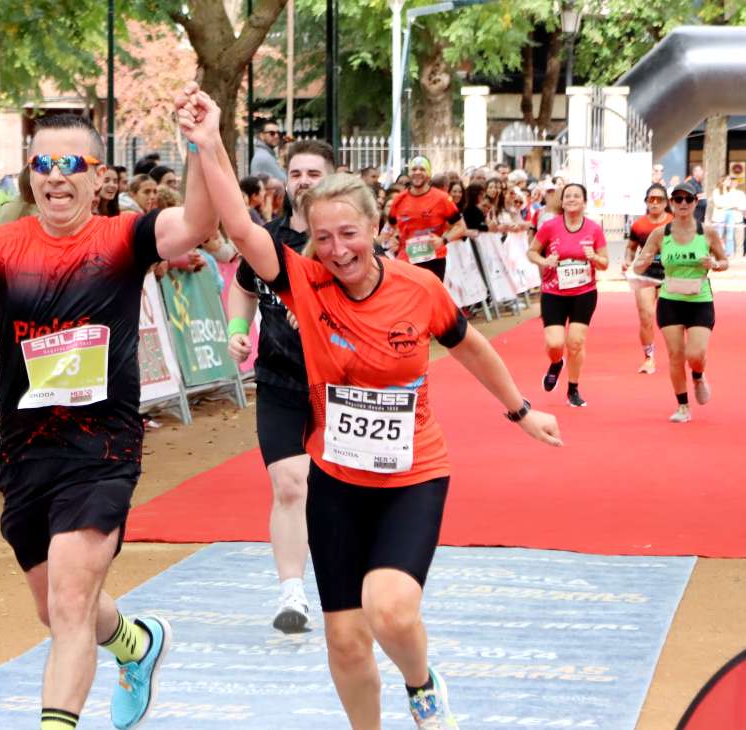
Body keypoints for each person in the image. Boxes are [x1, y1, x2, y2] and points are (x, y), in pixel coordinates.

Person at [182, 90, 562, 729]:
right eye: (323, 236)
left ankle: (421, 682)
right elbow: (240, 227)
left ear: (376, 230)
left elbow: (472, 351)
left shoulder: (420, 290)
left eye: (349, 234)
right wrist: (208, 140)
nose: (336, 248)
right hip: (337, 480)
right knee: (346, 640)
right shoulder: (304, 281)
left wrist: (522, 412)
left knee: (389, 611)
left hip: (412, 478)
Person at [0, 96, 218, 730]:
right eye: (43, 163)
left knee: (71, 604)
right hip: (24, 452)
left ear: (99, 177)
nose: (55, 175)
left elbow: (199, 221)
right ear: (30, 173)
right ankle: (137, 644)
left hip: (102, 450)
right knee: (58, 608)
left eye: (72, 162)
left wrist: (201, 144)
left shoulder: (124, 237)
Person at [227, 139, 335, 635]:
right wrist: (236, 330)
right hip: (279, 381)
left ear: (333, 179)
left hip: (339, 387)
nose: (304, 180)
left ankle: (350, 583)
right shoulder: (264, 241)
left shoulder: (348, 244)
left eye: (315, 172)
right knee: (290, 485)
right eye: (296, 172)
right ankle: (292, 592)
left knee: (336, 494)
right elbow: (243, 287)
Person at [632, 182, 728, 423]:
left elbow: (724, 261)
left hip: (699, 300)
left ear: (696, 202)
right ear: (671, 203)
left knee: (695, 354)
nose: (683, 204)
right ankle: (683, 406)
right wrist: (640, 263)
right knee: (675, 355)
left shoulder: (707, 233)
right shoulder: (660, 234)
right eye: (678, 199)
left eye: (688, 199)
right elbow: (639, 262)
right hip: (670, 300)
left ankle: (698, 375)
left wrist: (715, 265)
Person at [527, 182, 609, 408]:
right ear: (562, 202)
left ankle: (573, 389)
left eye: (577, 196)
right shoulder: (550, 226)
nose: (572, 199)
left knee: (575, 342)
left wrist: (593, 257)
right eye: (568, 196)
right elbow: (531, 252)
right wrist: (545, 261)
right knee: (555, 344)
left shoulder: (594, 229)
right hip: (554, 292)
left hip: (584, 293)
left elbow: (605, 264)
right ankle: (556, 363)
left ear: (584, 202)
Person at [388, 156, 466, 281]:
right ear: (410, 174)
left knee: (431, 299)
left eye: (422, 169)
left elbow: (461, 226)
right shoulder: (399, 199)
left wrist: (443, 240)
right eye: (414, 169)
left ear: (428, 174)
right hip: (407, 258)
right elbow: (393, 224)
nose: (417, 172)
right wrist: (397, 237)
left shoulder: (442, 198)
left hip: (434, 259)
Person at [624, 183, 673, 375]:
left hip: (671, 275)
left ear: (665, 202)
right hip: (644, 274)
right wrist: (627, 261)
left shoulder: (674, 221)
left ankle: (677, 353)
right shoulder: (639, 225)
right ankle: (649, 357)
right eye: (650, 199)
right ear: (646, 202)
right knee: (646, 316)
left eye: (659, 199)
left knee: (671, 318)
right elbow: (630, 247)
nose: (654, 203)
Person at [710, 176, 745, 257]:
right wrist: (728, 205)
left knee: (730, 235)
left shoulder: (730, 191)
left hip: (730, 214)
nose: (730, 182)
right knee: (719, 235)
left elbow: (733, 203)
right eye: (728, 180)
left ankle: (730, 253)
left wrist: (728, 205)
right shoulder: (717, 191)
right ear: (723, 181)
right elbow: (718, 203)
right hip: (720, 215)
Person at [250, 118, 287, 183]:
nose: (276, 136)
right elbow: (285, 181)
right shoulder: (264, 157)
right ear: (261, 136)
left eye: (278, 133)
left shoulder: (266, 154)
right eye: (272, 133)